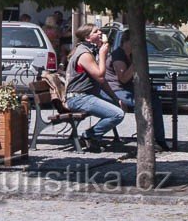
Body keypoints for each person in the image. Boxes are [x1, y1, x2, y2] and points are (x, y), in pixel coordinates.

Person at [65, 22, 125, 152]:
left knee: (118, 108)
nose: (100, 33)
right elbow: (100, 76)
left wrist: (115, 98)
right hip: (79, 98)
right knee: (117, 114)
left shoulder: (90, 51)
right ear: (88, 38)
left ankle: (92, 137)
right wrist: (103, 54)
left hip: (86, 96)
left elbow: (102, 82)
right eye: (96, 31)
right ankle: (89, 136)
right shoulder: (84, 54)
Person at [105, 29, 169, 151]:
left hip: (127, 88)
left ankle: (158, 139)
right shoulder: (118, 55)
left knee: (155, 99)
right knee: (145, 103)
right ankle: (148, 139)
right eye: (135, 42)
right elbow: (123, 78)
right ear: (126, 42)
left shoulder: (130, 55)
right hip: (116, 90)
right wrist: (136, 63)